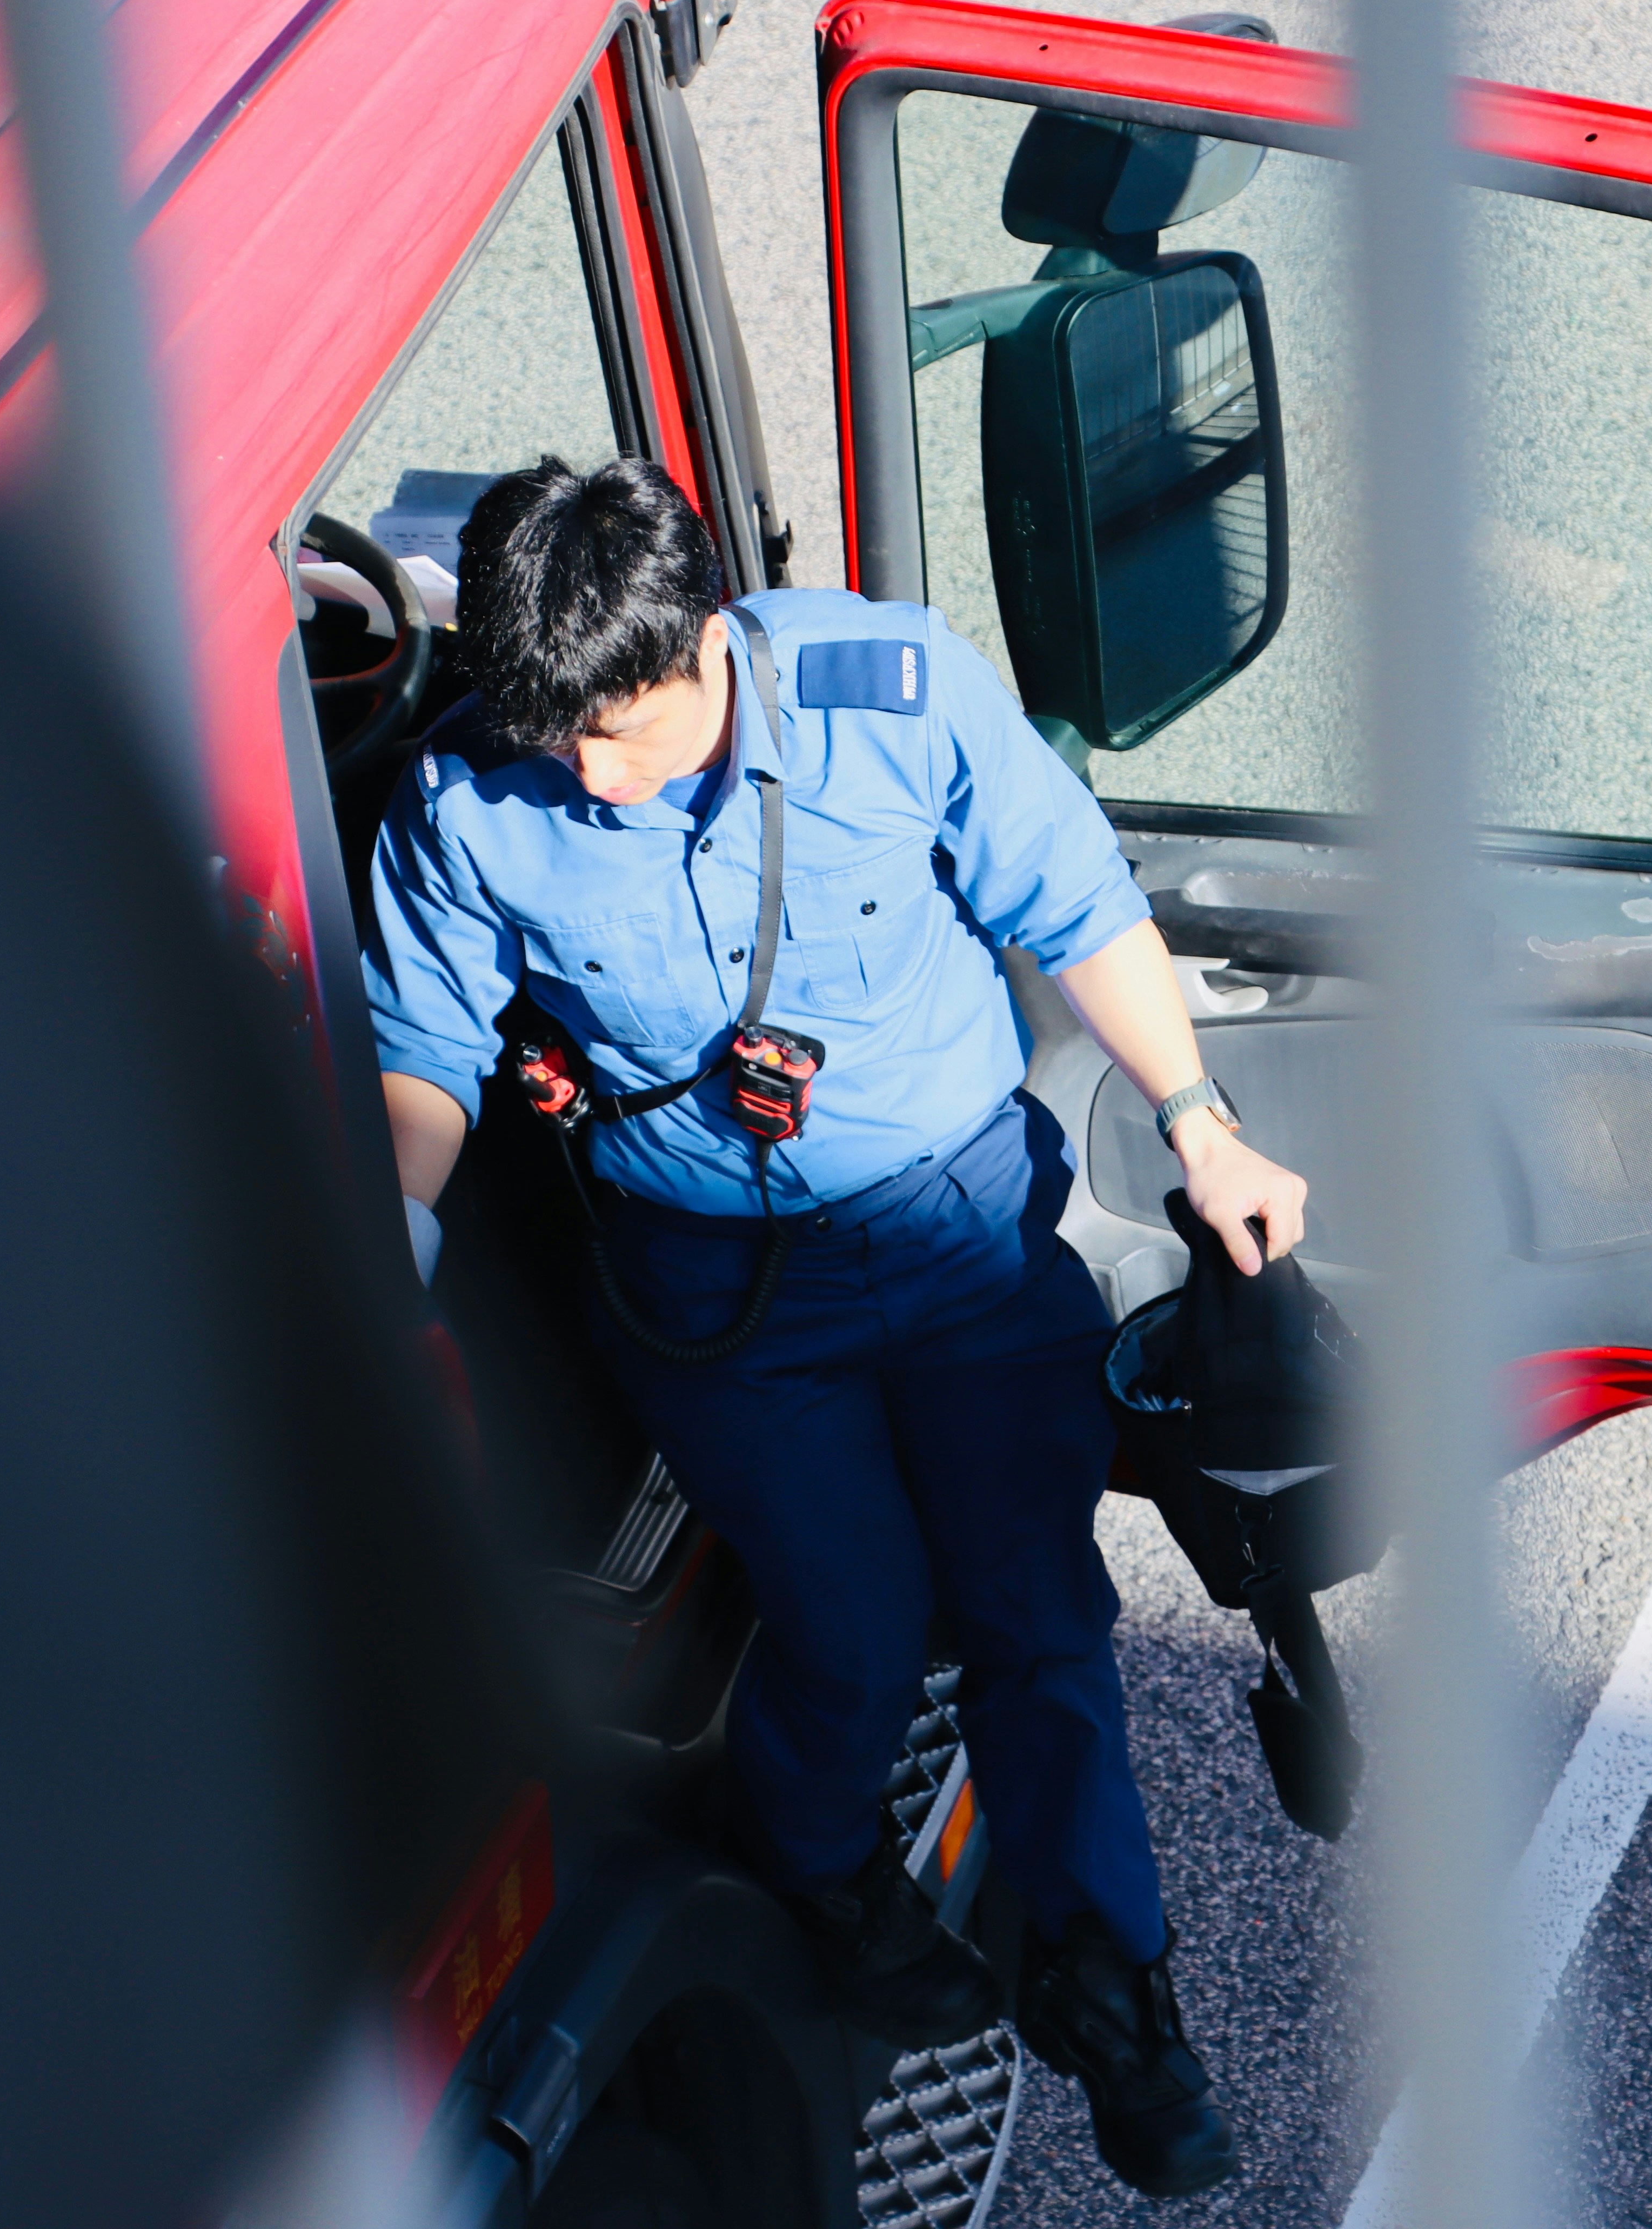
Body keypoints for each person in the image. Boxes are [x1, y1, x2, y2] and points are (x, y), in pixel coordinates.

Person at [363, 456, 1303, 2199]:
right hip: (718, 1299)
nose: (584, 773)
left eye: (617, 733)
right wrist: (386, 1266)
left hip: (957, 1246)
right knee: (853, 1624)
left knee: (1036, 1619)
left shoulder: (896, 694)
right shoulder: (477, 796)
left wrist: (1201, 1121)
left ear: (708, 641)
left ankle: (1117, 1996)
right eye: (551, 734)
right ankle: (822, 1866)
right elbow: (422, 1053)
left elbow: (1075, 905)